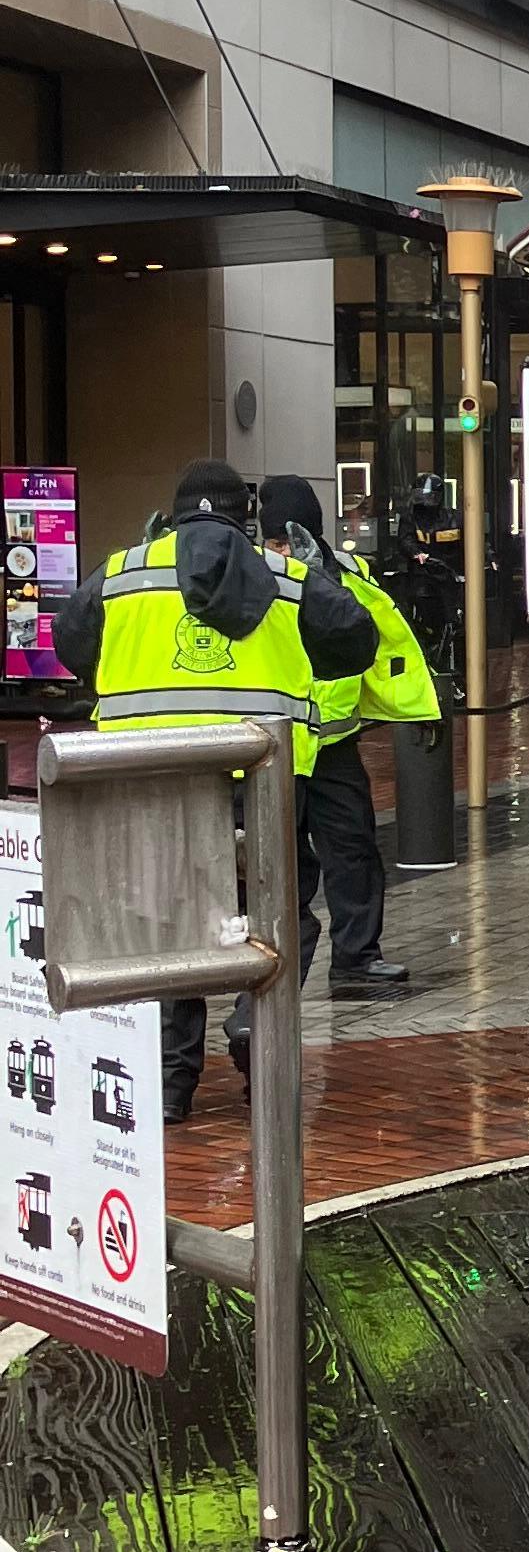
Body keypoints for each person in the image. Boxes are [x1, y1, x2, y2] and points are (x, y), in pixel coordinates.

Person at [45, 457, 377, 1118]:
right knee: (278, 914)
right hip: (262, 783)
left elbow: (69, 647)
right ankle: (256, 1025)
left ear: (168, 517)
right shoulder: (284, 579)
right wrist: (319, 575)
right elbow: (356, 644)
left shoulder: (120, 575)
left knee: (169, 925)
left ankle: (173, 1086)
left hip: (150, 782)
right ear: (245, 518)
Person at [258, 475, 435, 998]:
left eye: (290, 538)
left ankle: (357, 959)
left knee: (354, 852)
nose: (282, 549)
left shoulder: (349, 572)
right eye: (274, 540)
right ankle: (272, 973)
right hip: (277, 750)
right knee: (284, 868)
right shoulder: (251, 577)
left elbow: (385, 641)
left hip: (333, 746)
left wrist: (418, 707)